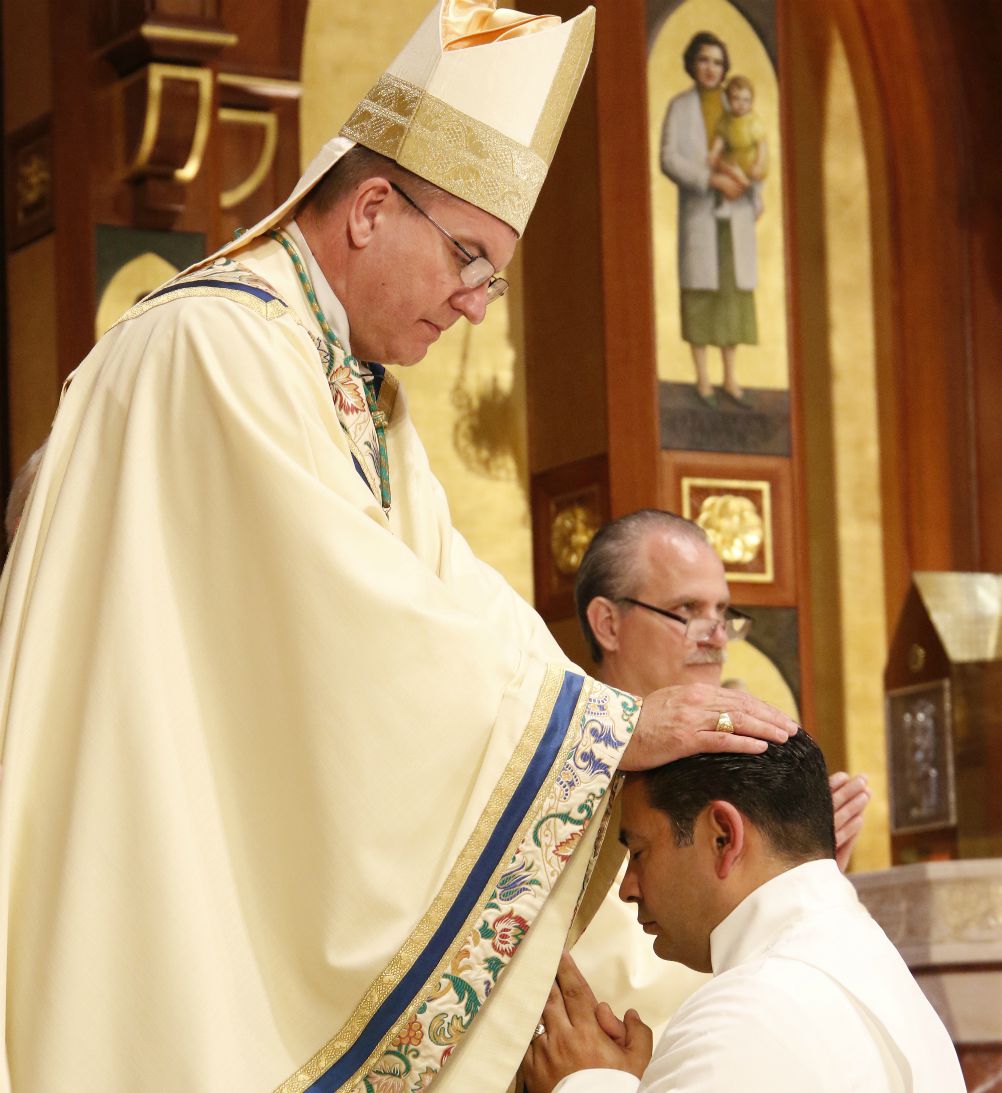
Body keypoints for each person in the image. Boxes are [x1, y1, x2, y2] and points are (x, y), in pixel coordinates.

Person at [0, 6, 799, 1092]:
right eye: (469, 257)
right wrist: (608, 725)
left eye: (497, 276)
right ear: (373, 207)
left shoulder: (360, 393)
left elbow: (456, 608)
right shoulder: (215, 345)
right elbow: (355, 626)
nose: (476, 304)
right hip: (150, 846)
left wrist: (613, 738)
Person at [522, 731, 967, 1092]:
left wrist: (581, 1082)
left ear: (723, 837)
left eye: (638, 851)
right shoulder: (877, 968)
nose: (628, 890)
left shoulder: (750, 1010)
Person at [570, 510, 869, 1032]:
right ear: (608, 624)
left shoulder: (751, 762)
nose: (716, 636)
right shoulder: (560, 762)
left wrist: (797, 868)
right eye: (687, 610)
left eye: (723, 613)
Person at [660, 31, 761, 407]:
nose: (711, 68)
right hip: (701, 214)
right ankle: (702, 378)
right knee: (701, 294)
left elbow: (752, 151)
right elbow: (669, 158)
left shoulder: (736, 106)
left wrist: (751, 193)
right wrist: (709, 179)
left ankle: (731, 377)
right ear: (692, 63)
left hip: (734, 217)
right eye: (704, 60)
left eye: (718, 62)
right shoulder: (680, 107)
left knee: (732, 294)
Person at [708, 75, 768, 198]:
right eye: (736, 99)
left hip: (750, 162)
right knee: (721, 165)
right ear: (728, 100)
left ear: (752, 102)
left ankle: (747, 188)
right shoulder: (726, 120)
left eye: (746, 100)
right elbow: (720, 138)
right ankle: (736, 188)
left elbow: (762, 144)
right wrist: (714, 152)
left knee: (750, 180)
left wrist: (759, 164)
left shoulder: (752, 121)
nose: (741, 104)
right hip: (733, 161)